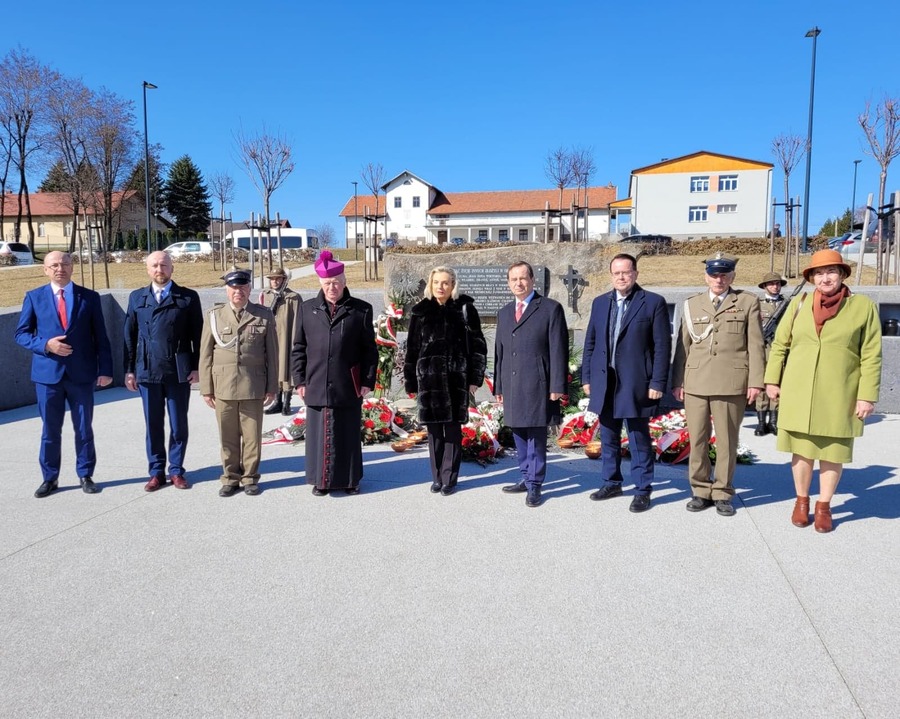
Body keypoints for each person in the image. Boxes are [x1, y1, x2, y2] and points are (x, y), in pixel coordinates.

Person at [764, 249, 881, 533]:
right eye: (819, 273)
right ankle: (801, 502)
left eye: (831, 272)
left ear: (841, 275)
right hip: (799, 389)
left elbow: (872, 354)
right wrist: (772, 380)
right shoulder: (799, 304)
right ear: (812, 277)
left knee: (833, 451)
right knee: (801, 452)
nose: (825, 278)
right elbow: (780, 345)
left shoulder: (863, 306)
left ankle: (824, 505)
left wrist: (867, 395)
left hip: (840, 391)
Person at [671, 253, 765, 517]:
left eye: (724, 274)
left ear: (732, 276)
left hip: (730, 382)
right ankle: (700, 490)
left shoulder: (747, 302)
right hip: (696, 382)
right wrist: (677, 381)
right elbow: (682, 348)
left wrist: (756, 381)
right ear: (706, 277)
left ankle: (723, 492)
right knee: (698, 440)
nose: (719, 279)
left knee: (726, 441)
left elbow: (756, 346)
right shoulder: (692, 305)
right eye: (714, 274)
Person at [15, 251, 113, 498]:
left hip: (81, 375)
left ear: (72, 267)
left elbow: (101, 336)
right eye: (54, 265)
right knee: (50, 429)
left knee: (83, 428)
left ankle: (85, 474)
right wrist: (46, 344)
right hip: (48, 377)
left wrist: (106, 370)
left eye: (65, 263)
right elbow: (21, 334)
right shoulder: (34, 297)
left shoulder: (89, 298)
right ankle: (50, 478)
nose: (60, 268)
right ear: (45, 270)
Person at [581, 253, 671, 513]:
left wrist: (658, 382)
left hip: (636, 382)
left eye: (626, 272)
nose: (621, 277)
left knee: (637, 438)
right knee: (608, 436)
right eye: (616, 273)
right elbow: (591, 343)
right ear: (611, 275)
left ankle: (643, 489)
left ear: (635, 274)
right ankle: (611, 482)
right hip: (605, 381)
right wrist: (587, 377)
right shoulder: (600, 303)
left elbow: (662, 347)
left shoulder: (653, 302)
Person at [292, 251, 378, 496]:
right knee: (319, 435)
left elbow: (369, 350)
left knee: (348, 434)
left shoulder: (361, 310)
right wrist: (299, 380)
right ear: (320, 283)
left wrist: (367, 381)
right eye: (328, 283)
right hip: (316, 381)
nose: (332, 287)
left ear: (344, 282)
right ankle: (321, 481)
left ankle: (350, 480)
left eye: (336, 282)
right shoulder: (307, 309)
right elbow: (298, 348)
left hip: (348, 383)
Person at [404, 266, 487, 496]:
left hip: (455, 380)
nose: (441, 287)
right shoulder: (420, 312)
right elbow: (412, 349)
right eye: (436, 282)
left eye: (445, 283)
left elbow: (478, 346)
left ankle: (449, 478)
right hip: (428, 381)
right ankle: (437, 476)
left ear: (453, 285)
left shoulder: (464, 309)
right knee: (433, 432)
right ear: (430, 285)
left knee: (451, 430)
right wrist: (411, 381)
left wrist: (474, 378)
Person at [124, 251, 203, 492]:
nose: (160, 269)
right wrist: (129, 370)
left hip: (178, 371)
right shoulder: (137, 297)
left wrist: (197, 367)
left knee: (179, 424)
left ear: (172, 268)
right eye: (155, 266)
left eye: (164, 265)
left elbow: (198, 336)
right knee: (153, 424)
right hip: (147, 370)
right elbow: (129, 337)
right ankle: (156, 471)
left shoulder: (188, 297)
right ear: (148, 269)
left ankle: (176, 470)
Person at [494, 261, 568, 508]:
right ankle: (526, 477)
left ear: (532, 280)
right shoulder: (504, 312)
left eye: (523, 278)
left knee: (535, 435)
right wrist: (499, 387)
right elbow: (500, 353)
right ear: (508, 283)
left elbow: (558, 351)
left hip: (538, 384)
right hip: (512, 384)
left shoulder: (550, 309)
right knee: (518, 432)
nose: (519, 283)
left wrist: (557, 385)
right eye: (513, 279)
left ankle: (535, 484)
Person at [199, 269, 278, 496]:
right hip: (222, 387)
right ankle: (230, 477)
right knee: (227, 436)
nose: (238, 291)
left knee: (252, 437)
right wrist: (207, 389)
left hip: (253, 386)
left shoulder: (263, 315)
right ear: (227, 289)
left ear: (249, 289)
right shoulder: (214, 316)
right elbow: (205, 355)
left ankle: (250, 477)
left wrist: (272, 387)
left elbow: (272, 354)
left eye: (243, 287)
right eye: (234, 287)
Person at [258, 266, 302, 416]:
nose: (275, 282)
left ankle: (287, 403)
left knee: (286, 367)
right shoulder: (266, 295)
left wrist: (296, 339)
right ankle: (277, 402)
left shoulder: (293, 297)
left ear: (284, 280)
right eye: (272, 279)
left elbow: (297, 319)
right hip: (271, 337)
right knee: (274, 367)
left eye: (278, 279)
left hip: (287, 337)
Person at [754, 271, 787, 436]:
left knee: (777, 383)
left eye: (778, 284)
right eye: (772, 284)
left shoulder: (787, 304)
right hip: (762, 350)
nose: (775, 286)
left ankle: (774, 422)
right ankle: (761, 422)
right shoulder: (757, 304)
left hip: (780, 351)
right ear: (765, 286)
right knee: (761, 385)